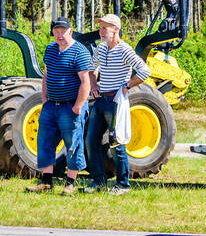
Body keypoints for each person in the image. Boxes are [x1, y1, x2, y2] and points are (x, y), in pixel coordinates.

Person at [84, 13, 149, 194]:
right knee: (91, 140)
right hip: (100, 100)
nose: (101, 31)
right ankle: (98, 181)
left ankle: (123, 184)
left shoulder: (125, 50)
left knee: (117, 143)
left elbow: (144, 70)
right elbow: (91, 68)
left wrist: (126, 87)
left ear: (116, 29)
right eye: (100, 27)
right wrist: (94, 83)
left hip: (115, 102)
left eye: (105, 28)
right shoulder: (102, 48)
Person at [26, 17, 92, 194]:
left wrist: (78, 106)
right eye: (56, 31)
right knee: (45, 142)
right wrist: (44, 98)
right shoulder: (51, 49)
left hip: (70, 107)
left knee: (73, 144)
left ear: (70, 31)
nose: (60, 35)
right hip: (50, 106)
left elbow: (86, 82)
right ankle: (46, 182)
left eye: (63, 31)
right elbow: (46, 75)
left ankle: (70, 183)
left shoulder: (80, 51)